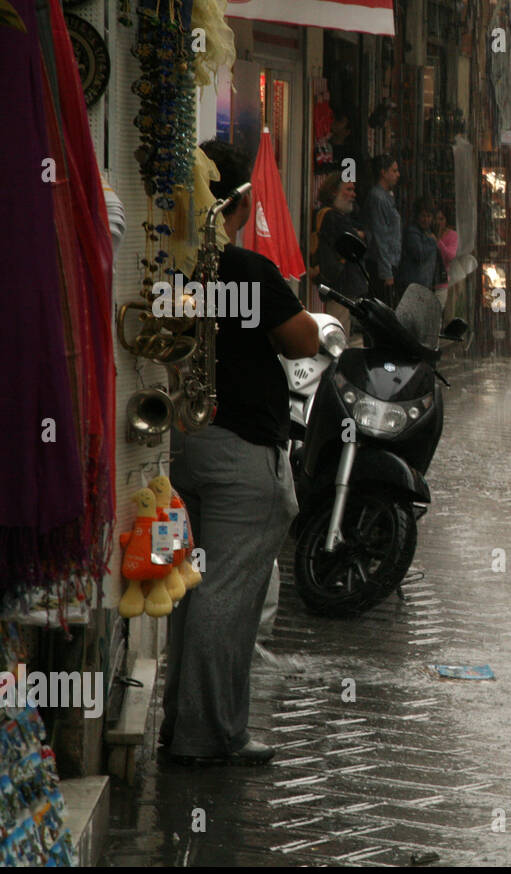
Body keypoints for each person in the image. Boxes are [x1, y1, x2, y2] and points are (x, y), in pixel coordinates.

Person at [161, 140, 318, 766]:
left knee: (189, 593)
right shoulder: (248, 270)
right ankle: (206, 738)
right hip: (241, 451)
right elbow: (303, 339)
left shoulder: (174, 267)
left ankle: (191, 724)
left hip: (185, 446)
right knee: (224, 600)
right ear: (239, 203)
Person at [312, 172, 367, 335]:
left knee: (342, 333)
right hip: (341, 286)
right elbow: (357, 242)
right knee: (338, 335)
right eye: (348, 189)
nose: (353, 194)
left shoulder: (337, 216)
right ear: (333, 192)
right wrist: (360, 235)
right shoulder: (332, 217)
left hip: (342, 287)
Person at [397, 197, 458, 302]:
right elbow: (419, 253)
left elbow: (449, 256)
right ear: (417, 216)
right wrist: (433, 241)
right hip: (413, 286)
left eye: (429, 216)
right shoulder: (413, 233)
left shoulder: (429, 232)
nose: (426, 220)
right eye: (423, 216)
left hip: (426, 286)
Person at [363, 153, 402, 306]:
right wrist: (386, 272)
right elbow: (380, 236)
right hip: (381, 265)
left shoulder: (386, 197)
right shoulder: (378, 198)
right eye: (394, 171)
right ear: (383, 172)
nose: (397, 175)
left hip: (389, 262)